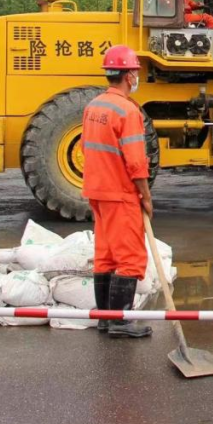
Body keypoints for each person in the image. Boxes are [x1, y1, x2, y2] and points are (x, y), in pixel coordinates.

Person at [82, 44, 153, 339]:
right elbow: (136, 161)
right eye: (135, 72)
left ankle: (105, 318)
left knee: (106, 255)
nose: (136, 77)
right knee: (130, 257)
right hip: (119, 192)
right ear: (128, 76)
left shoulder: (93, 106)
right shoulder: (127, 110)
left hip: (96, 190)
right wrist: (145, 195)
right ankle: (120, 322)